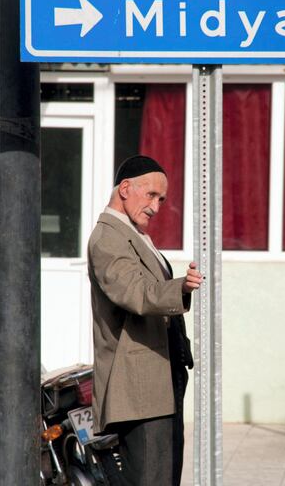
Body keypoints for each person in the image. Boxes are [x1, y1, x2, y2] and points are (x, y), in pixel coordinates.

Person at [88, 155, 203, 485]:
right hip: (139, 389)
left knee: (164, 476)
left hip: (161, 379)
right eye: (151, 195)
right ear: (125, 188)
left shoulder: (133, 234)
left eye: (162, 199)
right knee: (151, 478)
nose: (156, 206)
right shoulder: (108, 237)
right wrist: (180, 286)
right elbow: (135, 292)